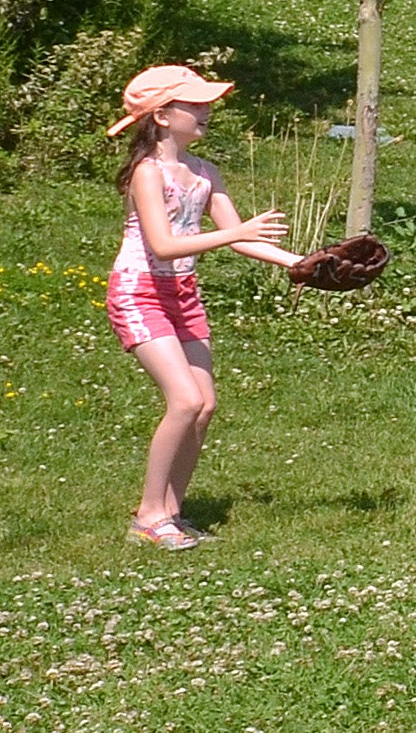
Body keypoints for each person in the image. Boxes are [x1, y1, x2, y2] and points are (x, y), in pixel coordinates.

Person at [103, 63, 294, 547]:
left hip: (182, 293)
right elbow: (164, 245)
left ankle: (171, 512)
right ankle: (148, 516)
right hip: (139, 289)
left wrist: (303, 264)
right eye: (195, 104)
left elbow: (244, 240)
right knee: (184, 400)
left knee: (204, 405)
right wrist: (238, 232)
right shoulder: (147, 173)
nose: (206, 111)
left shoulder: (206, 172)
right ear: (163, 116)